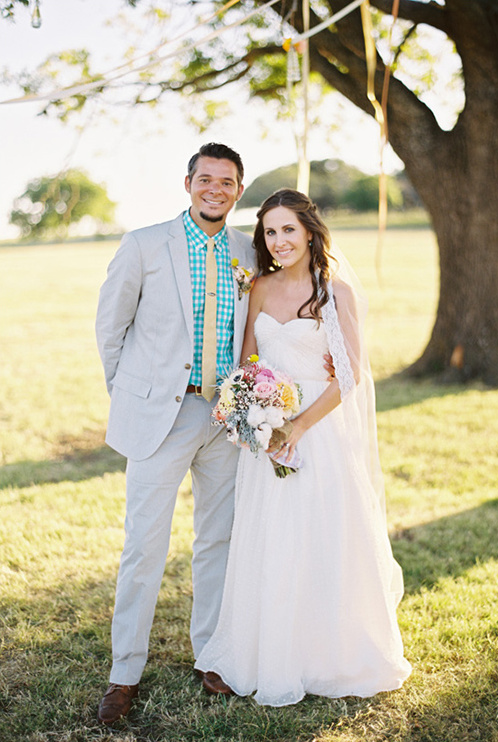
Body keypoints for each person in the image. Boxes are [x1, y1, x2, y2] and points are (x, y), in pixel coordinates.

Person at [195, 188, 412, 706]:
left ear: (310, 232)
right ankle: (259, 651)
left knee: (323, 534)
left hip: (319, 431)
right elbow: (245, 364)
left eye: (288, 229)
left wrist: (298, 427)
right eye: (270, 231)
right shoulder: (261, 289)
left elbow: (351, 375)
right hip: (266, 431)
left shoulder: (333, 290)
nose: (279, 240)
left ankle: (327, 654)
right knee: (268, 538)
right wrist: (253, 413)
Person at [95, 143, 257, 724]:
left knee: (219, 540)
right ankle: (123, 674)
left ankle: (210, 656)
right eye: (206, 179)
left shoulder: (247, 251)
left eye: (227, 181)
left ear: (239, 189)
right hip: (161, 415)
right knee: (144, 546)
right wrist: (131, 396)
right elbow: (110, 326)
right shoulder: (144, 243)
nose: (216, 188)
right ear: (187, 183)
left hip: (226, 417)